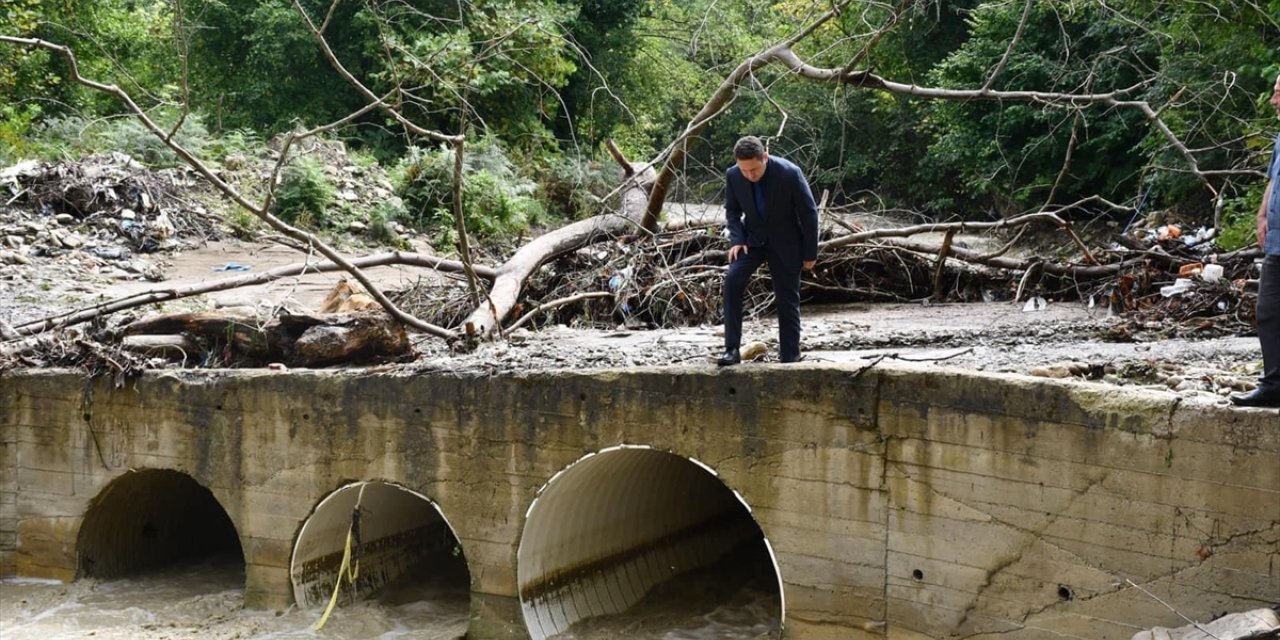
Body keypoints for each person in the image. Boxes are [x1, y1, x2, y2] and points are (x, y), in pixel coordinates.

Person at [717, 136, 819, 366]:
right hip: (752, 240)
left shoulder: (789, 173)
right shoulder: (733, 175)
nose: (750, 176)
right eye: (745, 171)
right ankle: (731, 350)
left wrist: (810, 252)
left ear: (765, 157)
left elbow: (809, 212)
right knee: (732, 279)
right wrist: (737, 239)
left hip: (786, 242)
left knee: (787, 298)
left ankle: (790, 356)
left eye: (754, 169)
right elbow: (732, 212)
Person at [1231, 72, 1280, 408]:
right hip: (1278, 240)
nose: (1274, 101)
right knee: (1268, 311)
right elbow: (1273, 178)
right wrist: (1262, 214)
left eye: (1279, 93)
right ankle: (1273, 385)